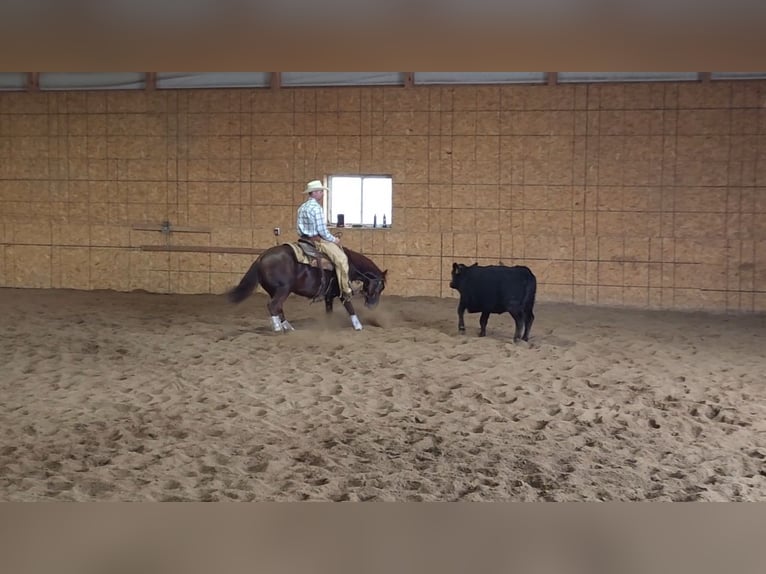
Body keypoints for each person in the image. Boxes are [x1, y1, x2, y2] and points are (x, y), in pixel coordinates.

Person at [296, 180, 355, 304]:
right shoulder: (316, 208)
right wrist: (335, 240)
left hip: (304, 239)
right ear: (315, 193)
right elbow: (322, 231)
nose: (322, 193)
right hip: (317, 241)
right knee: (342, 259)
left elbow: (298, 228)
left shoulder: (302, 207)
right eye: (321, 191)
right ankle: (346, 290)